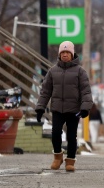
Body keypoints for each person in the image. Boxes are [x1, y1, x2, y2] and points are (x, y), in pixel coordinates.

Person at [36, 41, 93, 172]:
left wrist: (85, 108)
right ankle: (58, 157)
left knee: (71, 136)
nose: (65, 55)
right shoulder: (52, 71)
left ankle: (70, 161)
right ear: (59, 54)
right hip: (57, 109)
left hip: (74, 110)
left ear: (72, 54)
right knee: (55, 133)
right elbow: (45, 91)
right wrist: (40, 107)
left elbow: (86, 91)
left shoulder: (80, 72)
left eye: (67, 52)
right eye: (63, 53)